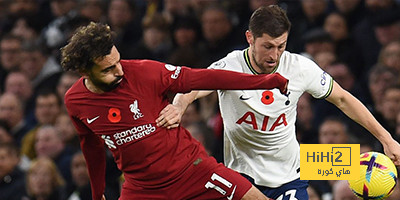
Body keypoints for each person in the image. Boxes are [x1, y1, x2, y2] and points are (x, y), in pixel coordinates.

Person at [157, 5, 400, 200]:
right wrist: (179, 105)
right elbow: (194, 86)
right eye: (267, 46)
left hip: (289, 176)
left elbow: (343, 98)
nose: (274, 55)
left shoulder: (299, 67)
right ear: (249, 38)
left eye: (281, 46)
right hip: (243, 179)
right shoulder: (230, 66)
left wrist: (386, 138)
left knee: (350, 162)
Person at [61, 22, 289, 200]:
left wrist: (263, 81)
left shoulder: (145, 73)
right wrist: (97, 190)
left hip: (193, 171)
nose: (119, 71)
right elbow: (90, 146)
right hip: (143, 189)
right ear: (84, 71)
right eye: (109, 69)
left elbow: (204, 77)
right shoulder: (76, 101)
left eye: (118, 61)